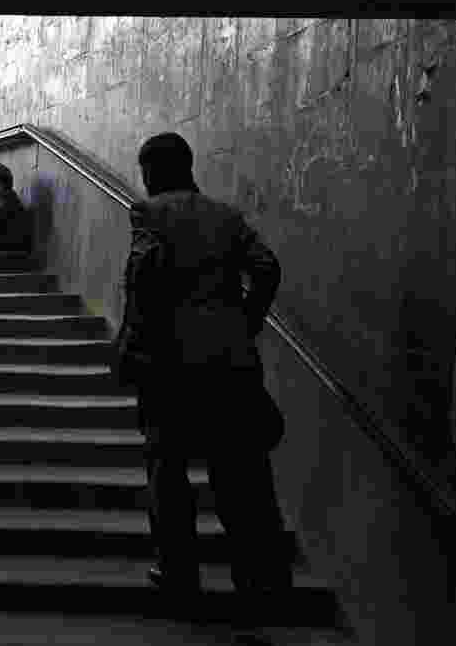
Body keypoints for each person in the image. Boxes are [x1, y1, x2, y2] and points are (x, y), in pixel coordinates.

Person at [113, 132, 293, 615]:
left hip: (171, 366)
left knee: (168, 470)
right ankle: (259, 583)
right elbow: (267, 269)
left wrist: (128, 345)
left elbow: (142, 281)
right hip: (231, 365)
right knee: (240, 475)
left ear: (153, 170)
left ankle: (180, 575)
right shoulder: (227, 216)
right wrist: (245, 321)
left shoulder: (149, 213)